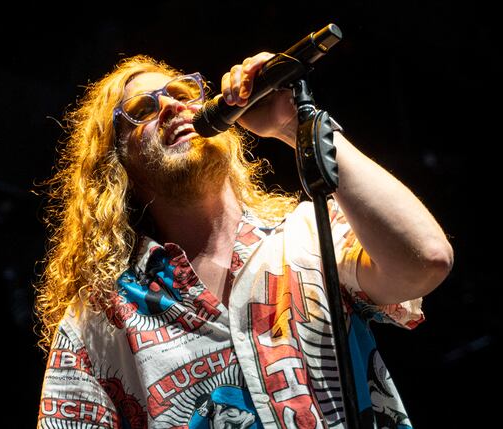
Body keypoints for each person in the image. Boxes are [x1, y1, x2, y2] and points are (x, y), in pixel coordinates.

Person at [35, 50, 453, 429]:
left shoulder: (308, 233)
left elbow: (426, 260)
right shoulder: (99, 319)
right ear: (116, 160)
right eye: (143, 108)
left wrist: (293, 125)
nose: (171, 105)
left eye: (182, 92)